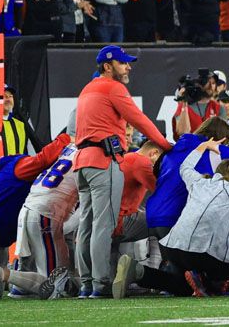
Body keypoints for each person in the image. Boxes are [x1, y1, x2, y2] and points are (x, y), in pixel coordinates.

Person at [73, 46, 171, 298]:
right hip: (103, 160)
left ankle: (86, 283)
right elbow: (139, 120)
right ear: (107, 66)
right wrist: (165, 144)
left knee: (87, 226)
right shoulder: (112, 87)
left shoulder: (87, 88)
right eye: (123, 63)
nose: (128, 67)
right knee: (102, 226)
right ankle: (100, 283)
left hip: (82, 162)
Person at [114, 139, 229, 298]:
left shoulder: (198, 182)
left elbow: (185, 166)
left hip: (173, 247)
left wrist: (201, 146)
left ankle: (139, 272)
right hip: (203, 253)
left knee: (183, 286)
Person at [0, 133, 72, 300]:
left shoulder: (12, 170)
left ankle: (6, 272)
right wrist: (66, 138)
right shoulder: (18, 165)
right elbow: (41, 160)